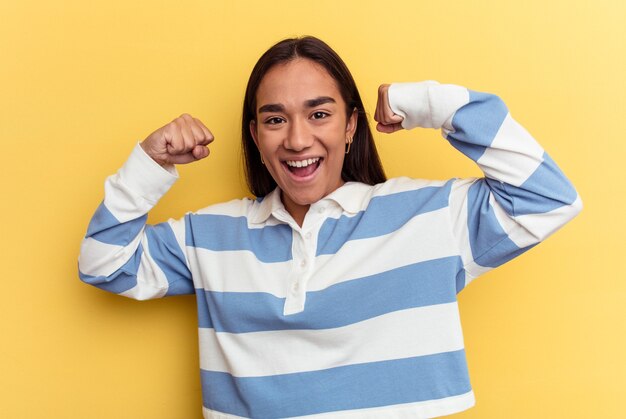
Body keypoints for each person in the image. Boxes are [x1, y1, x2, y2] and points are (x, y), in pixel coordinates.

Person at [78, 36, 582, 418]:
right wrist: (148, 163)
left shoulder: (427, 217)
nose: (298, 139)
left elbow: (546, 199)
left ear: (350, 126)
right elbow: (104, 265)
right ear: (255, 135)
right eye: (275, 120)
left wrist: (434, 104)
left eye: (319, 113)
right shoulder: (210, 235)